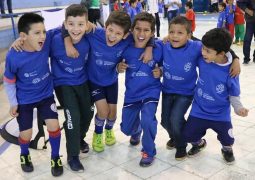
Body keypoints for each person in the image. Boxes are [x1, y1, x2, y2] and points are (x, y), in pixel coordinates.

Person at [63, 11, 153, 153]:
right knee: (103, 112)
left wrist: (149, 48)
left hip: (111, 80)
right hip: (94, 81)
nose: (112, 36)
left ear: (125, 35)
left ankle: (109, 130)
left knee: (112, 114)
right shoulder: (94, 33)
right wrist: (68, 42)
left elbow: (146, 38)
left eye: (118, 34)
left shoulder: (127, 40)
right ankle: (98, 134)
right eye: (110, 30)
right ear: (105, 27)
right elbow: (67, 25)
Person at [160, 16, 241, 161]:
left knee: (175, 119)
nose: (175, 36)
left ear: (189, 35)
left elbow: (221, 49)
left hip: (187, 94)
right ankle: (176, 136)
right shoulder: (165, 44)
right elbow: (150, 45)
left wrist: (235, 59)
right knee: (166, 122)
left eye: (180, 33)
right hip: (168, 91)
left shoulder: (197, 48)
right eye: (171, 32)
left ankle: (181, 144)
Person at [3, 13, 63, 176]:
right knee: (26, 134)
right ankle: (24, 155)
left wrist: (89, 25)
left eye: (43, 31)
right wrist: (14, 102)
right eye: (37, 33)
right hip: (25, 100)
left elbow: (64, 27)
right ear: (23, 36)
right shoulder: (13, 56)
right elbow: (9, 81)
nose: (42, 36)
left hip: (45, 95)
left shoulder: (46, 40)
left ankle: (55, 157)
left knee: (54, 126)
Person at [183, 28, 249, 164]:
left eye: (207, 51)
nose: (203, 53)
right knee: (188, 135)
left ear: (221, 53)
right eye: (203, 49)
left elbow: (234, 95)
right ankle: (199, 144)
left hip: (220, 113)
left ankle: (226, 149)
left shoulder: (231, 70)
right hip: (199, 109)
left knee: (228, 138)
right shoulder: (203, 59)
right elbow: (190, 41)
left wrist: (239, 108)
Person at [50, 4, 94, 172]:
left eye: (81, 24)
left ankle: (79, 138)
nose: (76, 29)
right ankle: (73, 156)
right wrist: (20, 40)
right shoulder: (54, 39)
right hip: (63, 84)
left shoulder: (90, 37)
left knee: (89, 112)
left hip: (82, 82)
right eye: (71, 24)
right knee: (72, 118)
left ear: (87, 24)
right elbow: (34, 40)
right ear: (65, 24)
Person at [117, 12, 162, 167]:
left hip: (151, 91)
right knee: (126, 129)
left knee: (148, 119)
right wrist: (118, 66)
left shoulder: (159, 47)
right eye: (138, 29)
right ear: (131, 30)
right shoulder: (124, 47)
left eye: (146, 30)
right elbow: (115, 62)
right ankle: (136, 132)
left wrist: (160, 71)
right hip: (132, 94)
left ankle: (149, 151)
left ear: (152, 33)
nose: (141, 34)